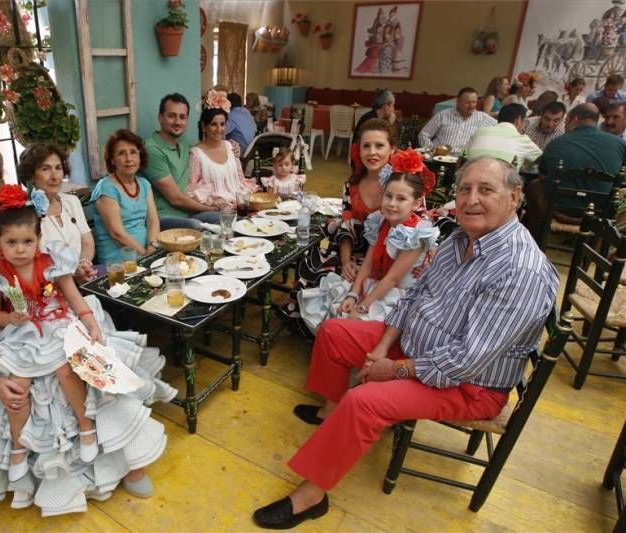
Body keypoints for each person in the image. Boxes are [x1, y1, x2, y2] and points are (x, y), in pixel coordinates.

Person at [252, 157, 559, 529]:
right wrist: (383, 346)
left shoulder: (521, 269)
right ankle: (330, 415)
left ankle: (311, 496)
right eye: (464, 189)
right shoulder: (459, 238)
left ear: (514, 197)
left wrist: (393, 369)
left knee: (363, 400)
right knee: (335, 332)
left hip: (468, 385)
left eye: (486, 190)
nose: (471, 199)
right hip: (418, 346)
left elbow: (467, 361)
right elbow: (413, 297)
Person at [0, 142, 174, 516]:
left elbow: (53, 270)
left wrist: (73, 295)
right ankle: (60, 469)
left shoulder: (16, 217)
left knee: (89, 341)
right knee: (42, 370)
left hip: (48, 317)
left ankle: (125, 455)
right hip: (3, 337)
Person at [0, 185, 101, 482]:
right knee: (17, 385)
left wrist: (90, 322)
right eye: (12, 242)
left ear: (39, 240)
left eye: (27, 241)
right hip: (22, 333)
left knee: (67, 371)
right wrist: (8, 317)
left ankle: (86, 426)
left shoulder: (52, 263)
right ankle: (18, 445)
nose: (20, 249)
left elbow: (72, 295)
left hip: (56, 324)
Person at [300, 149, 438, 334]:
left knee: (352, 322)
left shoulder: (416, 234)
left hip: (400, 295)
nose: (392, 204)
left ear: (415, 204)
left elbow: (393, 278)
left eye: (401, 199)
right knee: (334, 304)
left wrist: (363, 306)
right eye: (388, 196)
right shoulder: (381, 221)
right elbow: (368, 263)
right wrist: (353, 294)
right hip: (378, 283)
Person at [285, 119, 392, 335]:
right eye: (366, 145)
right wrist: (345, 261)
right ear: (358, 149)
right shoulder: (352, 184)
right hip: (355, 247)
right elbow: (347, 223)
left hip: (387, 255)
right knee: (315, 262)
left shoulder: (400, 185)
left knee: (352, 285)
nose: (372, 152)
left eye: (380, 145)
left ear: (392, 149)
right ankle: (317, 332)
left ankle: (340, 334)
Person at [523, 103, 626, 240]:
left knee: (532, 186)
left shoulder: (556, 143)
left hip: (558, 211)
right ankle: (597, 246)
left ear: (574, 119)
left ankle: (534, 238)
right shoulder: (619, 144)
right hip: (599, 213)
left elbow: (543, 175)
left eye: (565, 121)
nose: (564, 126)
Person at [17, 143, 95, 281]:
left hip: (82, 280)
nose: (54, 176)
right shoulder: (23, 213)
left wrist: (83, 263)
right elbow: (27, 262)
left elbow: (87, 242)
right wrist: (71, 271)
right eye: (45, 169)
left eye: (58, 168)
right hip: (49, 289)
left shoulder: (72, 201)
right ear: (31, 175)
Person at [144, 93, 221, 231]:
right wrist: (210, 209)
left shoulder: (183, 144)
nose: (177, 122)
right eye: (171, 116)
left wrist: (229, 147)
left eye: (182, 117)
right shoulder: (151, 149)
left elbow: (204, 153)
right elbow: (175, 199)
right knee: (197, 226)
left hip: (189, 213)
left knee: (230, 218)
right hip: (162, 218)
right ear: (160, 118)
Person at [91, 129, 160, 264]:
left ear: (140, 157)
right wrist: (145, 256)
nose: (129, 159)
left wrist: (152, 247)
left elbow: (153, 221)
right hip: (118, 262)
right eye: (121, 154)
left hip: (147, 254)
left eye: (133, 152)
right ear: (112, 160)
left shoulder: (144, 184)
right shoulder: (106, 188)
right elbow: (117, 234)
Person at [186, 89, 258, 208]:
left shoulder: (230, 146)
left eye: (222, 124)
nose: (219, 129)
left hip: (239, 203)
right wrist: (213, 204)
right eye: (214, 124)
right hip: (217, 209)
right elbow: (192, 190)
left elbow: (241, 179)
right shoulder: (196, 154)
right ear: (204, 127)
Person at [465, 103, 542, 170]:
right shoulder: (522, 140)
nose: (525, 125)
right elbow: (543, 160)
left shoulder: (479, 132)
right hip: (501, 185)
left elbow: (463, 157)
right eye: (525, 121)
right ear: (518, 120)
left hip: (470, 182)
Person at [418, 87, 496, 150]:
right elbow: (423, 135)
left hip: (465, 161)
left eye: (474, 102)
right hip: (440, 158)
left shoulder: (483, 118)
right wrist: (432, 150)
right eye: (467, 103)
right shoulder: (443, 115)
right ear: (458, 101)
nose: (471, 106)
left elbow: (502, 128)